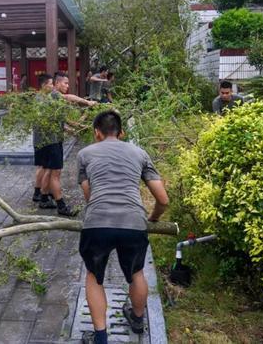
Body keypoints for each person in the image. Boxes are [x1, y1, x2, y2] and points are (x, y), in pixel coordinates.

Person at [77, 111, 169, 344]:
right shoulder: (139, 153)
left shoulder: (85, 154)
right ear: (122, 132)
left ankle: (100, 338)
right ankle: (137, 320)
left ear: (96, 132)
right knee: (136, 273)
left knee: (94, 276)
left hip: (97, 224)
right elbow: (163, 200)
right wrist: (153, 219)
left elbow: (89, 196)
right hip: (134, 224)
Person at [38, 71, 95, 216]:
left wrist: (73, 128)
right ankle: (61, 206)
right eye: (66, 83)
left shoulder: (47, 98)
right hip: (52, 141)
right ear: (56, 84)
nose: (68, 86)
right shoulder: (55, 94)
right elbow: (69, 98)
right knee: (55, 174)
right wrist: (87, 102)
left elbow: (60, 122)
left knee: (48, 170)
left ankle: (44, 198)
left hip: (47, 140)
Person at [32, 73, 54, 204]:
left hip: (43, 138)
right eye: (51, 84)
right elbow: (41, 119)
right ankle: (37, 192)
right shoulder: (40, 99)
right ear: (44, 85)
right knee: (42, 166)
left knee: (43, 166)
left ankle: (41, 191)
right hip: (42, 139)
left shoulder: (46, 97)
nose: (52, 86)